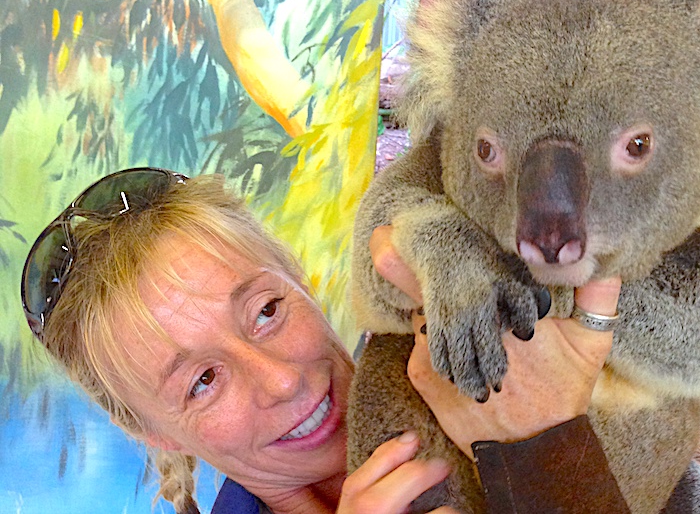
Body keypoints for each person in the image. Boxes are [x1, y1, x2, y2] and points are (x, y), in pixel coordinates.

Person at [21, 167, 627, 514]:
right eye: (202, 381)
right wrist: (550, 457)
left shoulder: (485, 350)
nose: (282, 379)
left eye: (265, 310)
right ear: (151, 430)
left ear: (301, 279)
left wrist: (557, 435)